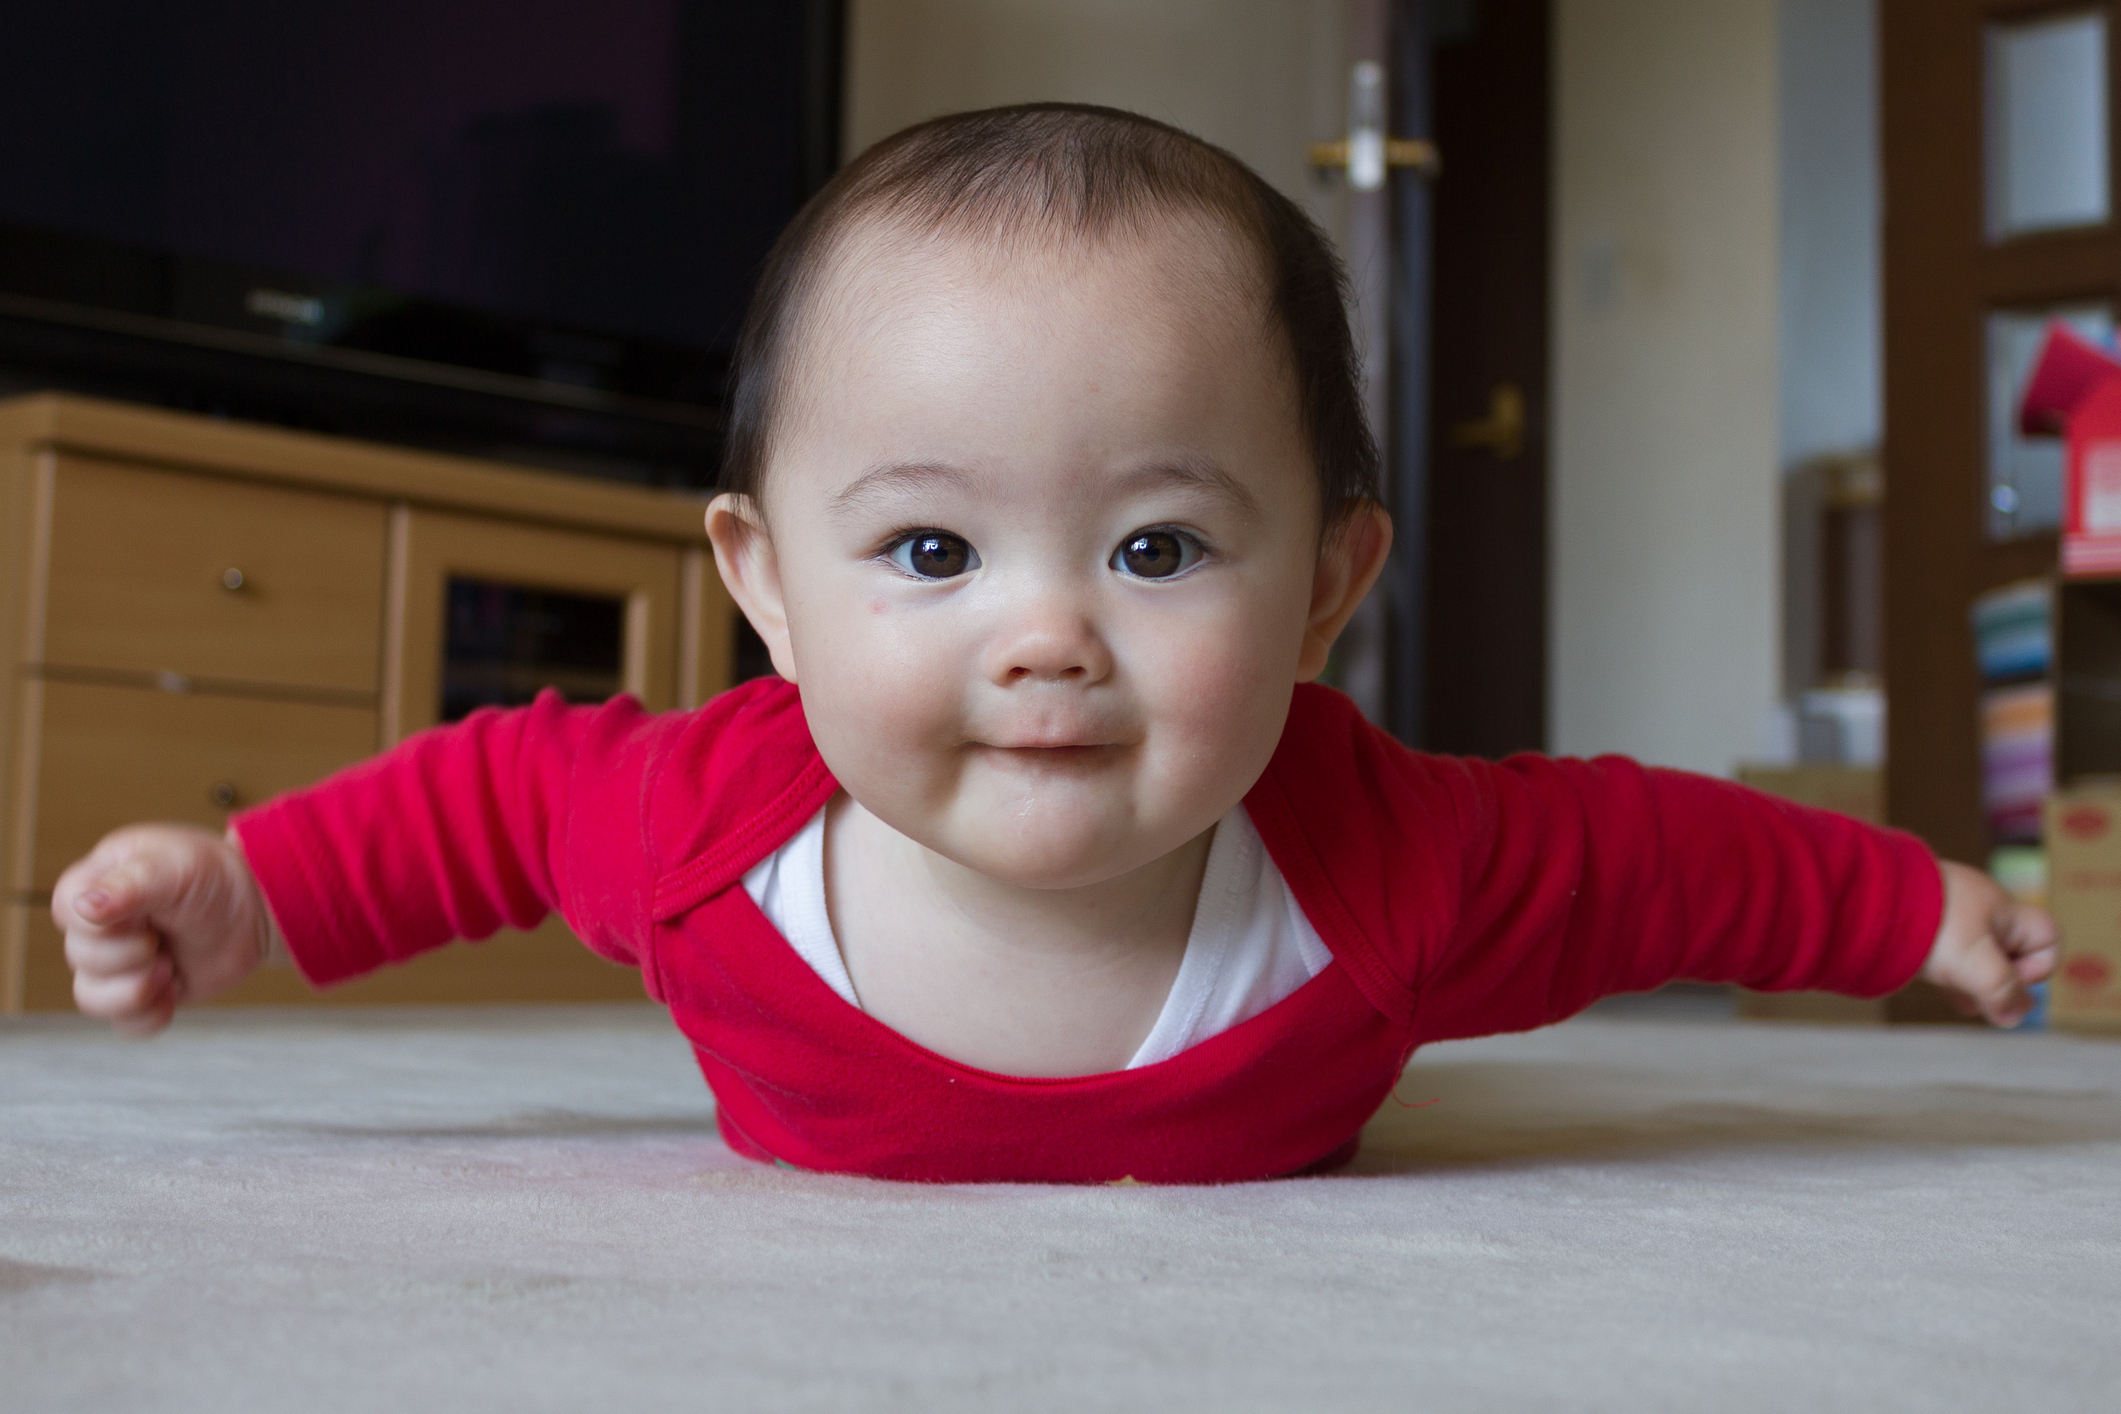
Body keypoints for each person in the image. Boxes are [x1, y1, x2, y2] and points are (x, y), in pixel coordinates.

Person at [53, 105, 2058, 1183]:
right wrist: (251, 890)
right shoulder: (704, 833)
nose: (1045, 636)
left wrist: (1905, 908)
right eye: (929, 547)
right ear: (765, 583)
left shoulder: (1382, 866)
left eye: (1156, 547)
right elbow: (493, 801)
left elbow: (1647, 860)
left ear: (1326, 588)